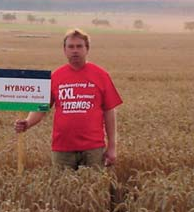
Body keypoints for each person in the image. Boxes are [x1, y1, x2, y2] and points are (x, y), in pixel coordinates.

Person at [14, 29, 122, 170]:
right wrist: (27, 123)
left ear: (87, 49)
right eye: (71, 47)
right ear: (64, 50)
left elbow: (109, 111)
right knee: (63, 190)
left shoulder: (101, 75)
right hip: (62, 148)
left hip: (93, 148)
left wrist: (112, 147)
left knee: (95, 189)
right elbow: (41, 109)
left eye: (79, 46)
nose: (75, 51)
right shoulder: (56, 76)